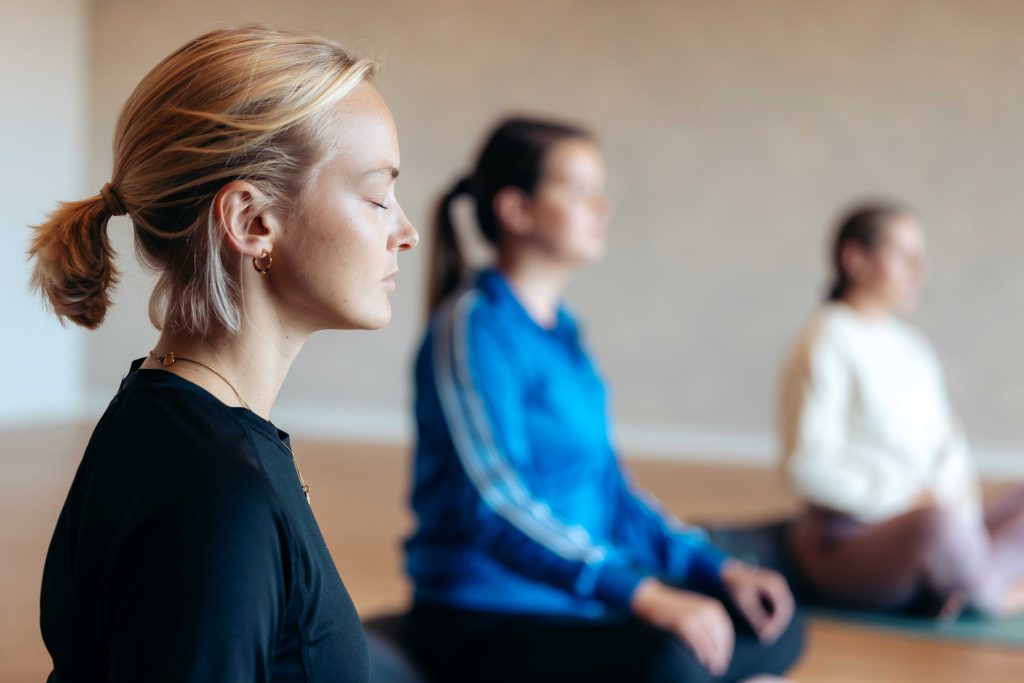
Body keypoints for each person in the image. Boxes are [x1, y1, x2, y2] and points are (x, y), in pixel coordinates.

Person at [29, 25, 417, 682]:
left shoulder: (156, 409)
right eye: (379, 196)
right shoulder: (219, 502)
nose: (405, 232)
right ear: (251, 221)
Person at [403, 118, 803, 683]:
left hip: (577, 602)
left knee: (777, 622)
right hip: (486, 614)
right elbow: (496, 501)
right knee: (674, 660)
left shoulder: (563, 334)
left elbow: (611, 491)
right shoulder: (472, 329)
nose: (602, 206)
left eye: (600, 190)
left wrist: (719, 569)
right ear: (516, 210)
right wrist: (642, 593)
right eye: (578, 190)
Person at [779, 202, 1024, 616]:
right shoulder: (826, 340)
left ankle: (960, 578)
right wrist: (905, 499)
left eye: (920, 257)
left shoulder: (913, 346)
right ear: (855, 260)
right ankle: (994, 596)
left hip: (937, 520)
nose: (919, 269)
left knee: (961, 520)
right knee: (938, 526)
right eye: (904, 256)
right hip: (854, 538)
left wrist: (960, 511)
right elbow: (805, 467)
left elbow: (948, 447)